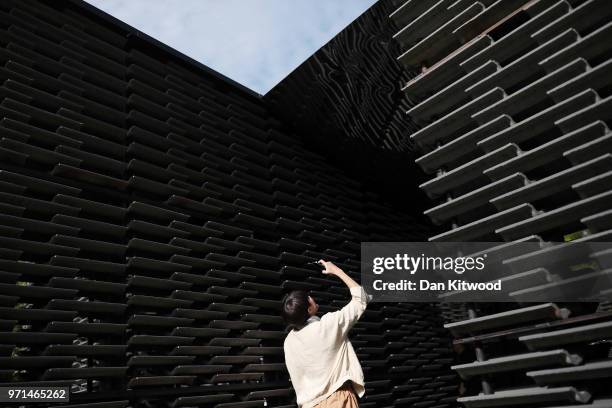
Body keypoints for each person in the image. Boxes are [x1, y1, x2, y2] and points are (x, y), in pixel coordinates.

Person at [282, 259, 369, 408]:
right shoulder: (328, 325)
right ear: (309, 309)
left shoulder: (289, 342)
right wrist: (337, 271)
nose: (311, 297)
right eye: (309, 298)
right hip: (337, 400)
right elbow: (361, 298)